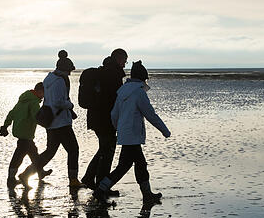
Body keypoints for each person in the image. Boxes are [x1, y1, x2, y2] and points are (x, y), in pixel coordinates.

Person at [94, 60, 171, 204]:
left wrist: (119, 128)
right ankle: (102, 190)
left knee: (132, 165)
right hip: (133, 135)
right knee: (132, 165)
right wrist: (165, 130)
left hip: (125, 134)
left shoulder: (122, 91)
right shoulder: (138, 93)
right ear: (143, 78)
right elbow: (150, 114)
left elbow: (113, 114)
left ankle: (144, 194)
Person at [20, 50, 84, 188]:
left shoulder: (48, 78)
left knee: (50, 152)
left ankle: (26, 174)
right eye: (69, 71)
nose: (70, 73)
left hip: (50, 122)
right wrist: (70, 105)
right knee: (73, 150)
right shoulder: (60, 81)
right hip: (61, 122)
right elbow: (59, 102)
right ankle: (73, 180)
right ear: (65, 69)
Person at [81, 48, 128, 195]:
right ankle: (102, 185)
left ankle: (89, 178)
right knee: (107, 150)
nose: (124, 65)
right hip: (105, 118)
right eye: (124, 61)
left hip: (96, 118)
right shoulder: (112, 74)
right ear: (119, 59)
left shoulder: (103, 71)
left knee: (104, 148)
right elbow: (115, 99)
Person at [0, 82, 51, 189]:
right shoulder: (33, 103)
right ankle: (12, 179)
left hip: (21, 132)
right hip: (26, 134)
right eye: (44, 93)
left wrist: (5, 126)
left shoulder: (22, 101)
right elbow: (36, 117)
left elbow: (11, 113)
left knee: (34, 154)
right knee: (18, 157)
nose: (44, 96)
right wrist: (48, 124)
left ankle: (40, 172)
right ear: (39, 91)